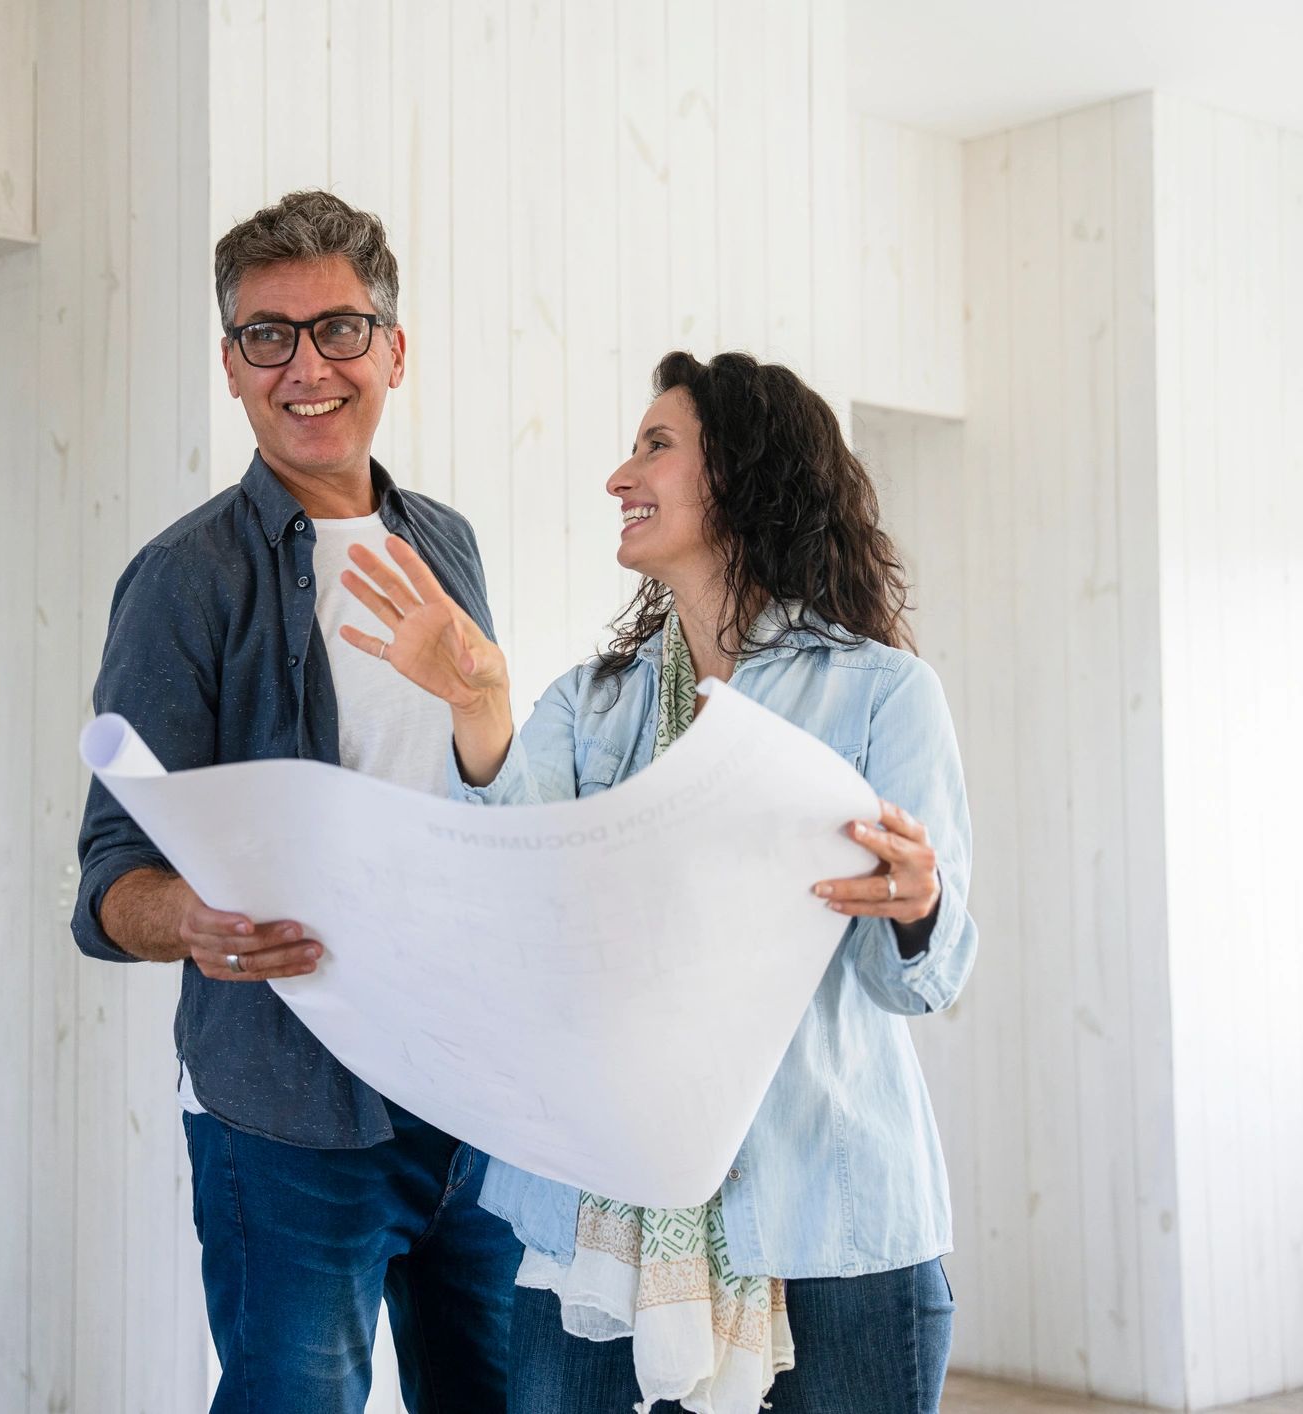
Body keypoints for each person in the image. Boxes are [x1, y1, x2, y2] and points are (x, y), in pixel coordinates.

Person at [339, 350, 977, 1414]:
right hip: (594, 1221)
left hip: (833, 1219)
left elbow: (919, 981)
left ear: (743, 472)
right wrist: (478, 708)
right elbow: (510, 901)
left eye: (656, 445)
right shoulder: (590, 704)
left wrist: (919, 908)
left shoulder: (884, 692)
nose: (619, 475)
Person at [71, 189, 520, 1414]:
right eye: (268, 336)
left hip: (471, 1089)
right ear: (231, 365)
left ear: (394, 351)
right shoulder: (183, 580)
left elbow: (489, 794)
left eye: (340, 329)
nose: (307, 366)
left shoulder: (448, 548)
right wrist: (191, 920)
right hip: (288, 1111)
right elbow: (110, 874)